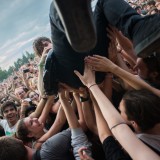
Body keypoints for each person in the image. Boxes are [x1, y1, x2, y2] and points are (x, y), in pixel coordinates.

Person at [44, 0, 160, 96]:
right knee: (103, 2)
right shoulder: (150, 65)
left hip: (82, 76)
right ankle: (136, 26)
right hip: (98, 59)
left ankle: (74, 29)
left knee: (55, 8)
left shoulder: (149, 86)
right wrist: (114, 32)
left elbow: (128, 85)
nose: (135, 68)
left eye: (139, 71)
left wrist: (112, 66)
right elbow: (128, 48)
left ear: (154, 75)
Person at [74, 63, 160, 160]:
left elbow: (106, 133)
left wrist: (91, 87)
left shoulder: (127, 149)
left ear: (134, 123)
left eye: (120, 111)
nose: (118, 113)